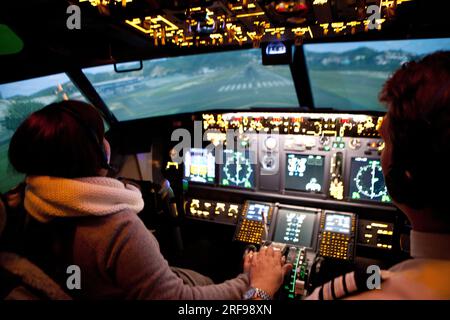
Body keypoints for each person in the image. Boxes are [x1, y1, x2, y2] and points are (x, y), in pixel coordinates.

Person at [6, 100, 289, 300]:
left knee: (203, 250)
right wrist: (252, 283)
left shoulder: (26, 203)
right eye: (101, 136)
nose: (108, 142)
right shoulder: (116, 228)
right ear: (94, 152)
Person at [307, 51, 450, 300]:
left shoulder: (371, 291)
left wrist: (259, 288)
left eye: (384, 143)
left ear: (406, 176)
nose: (380, 156)